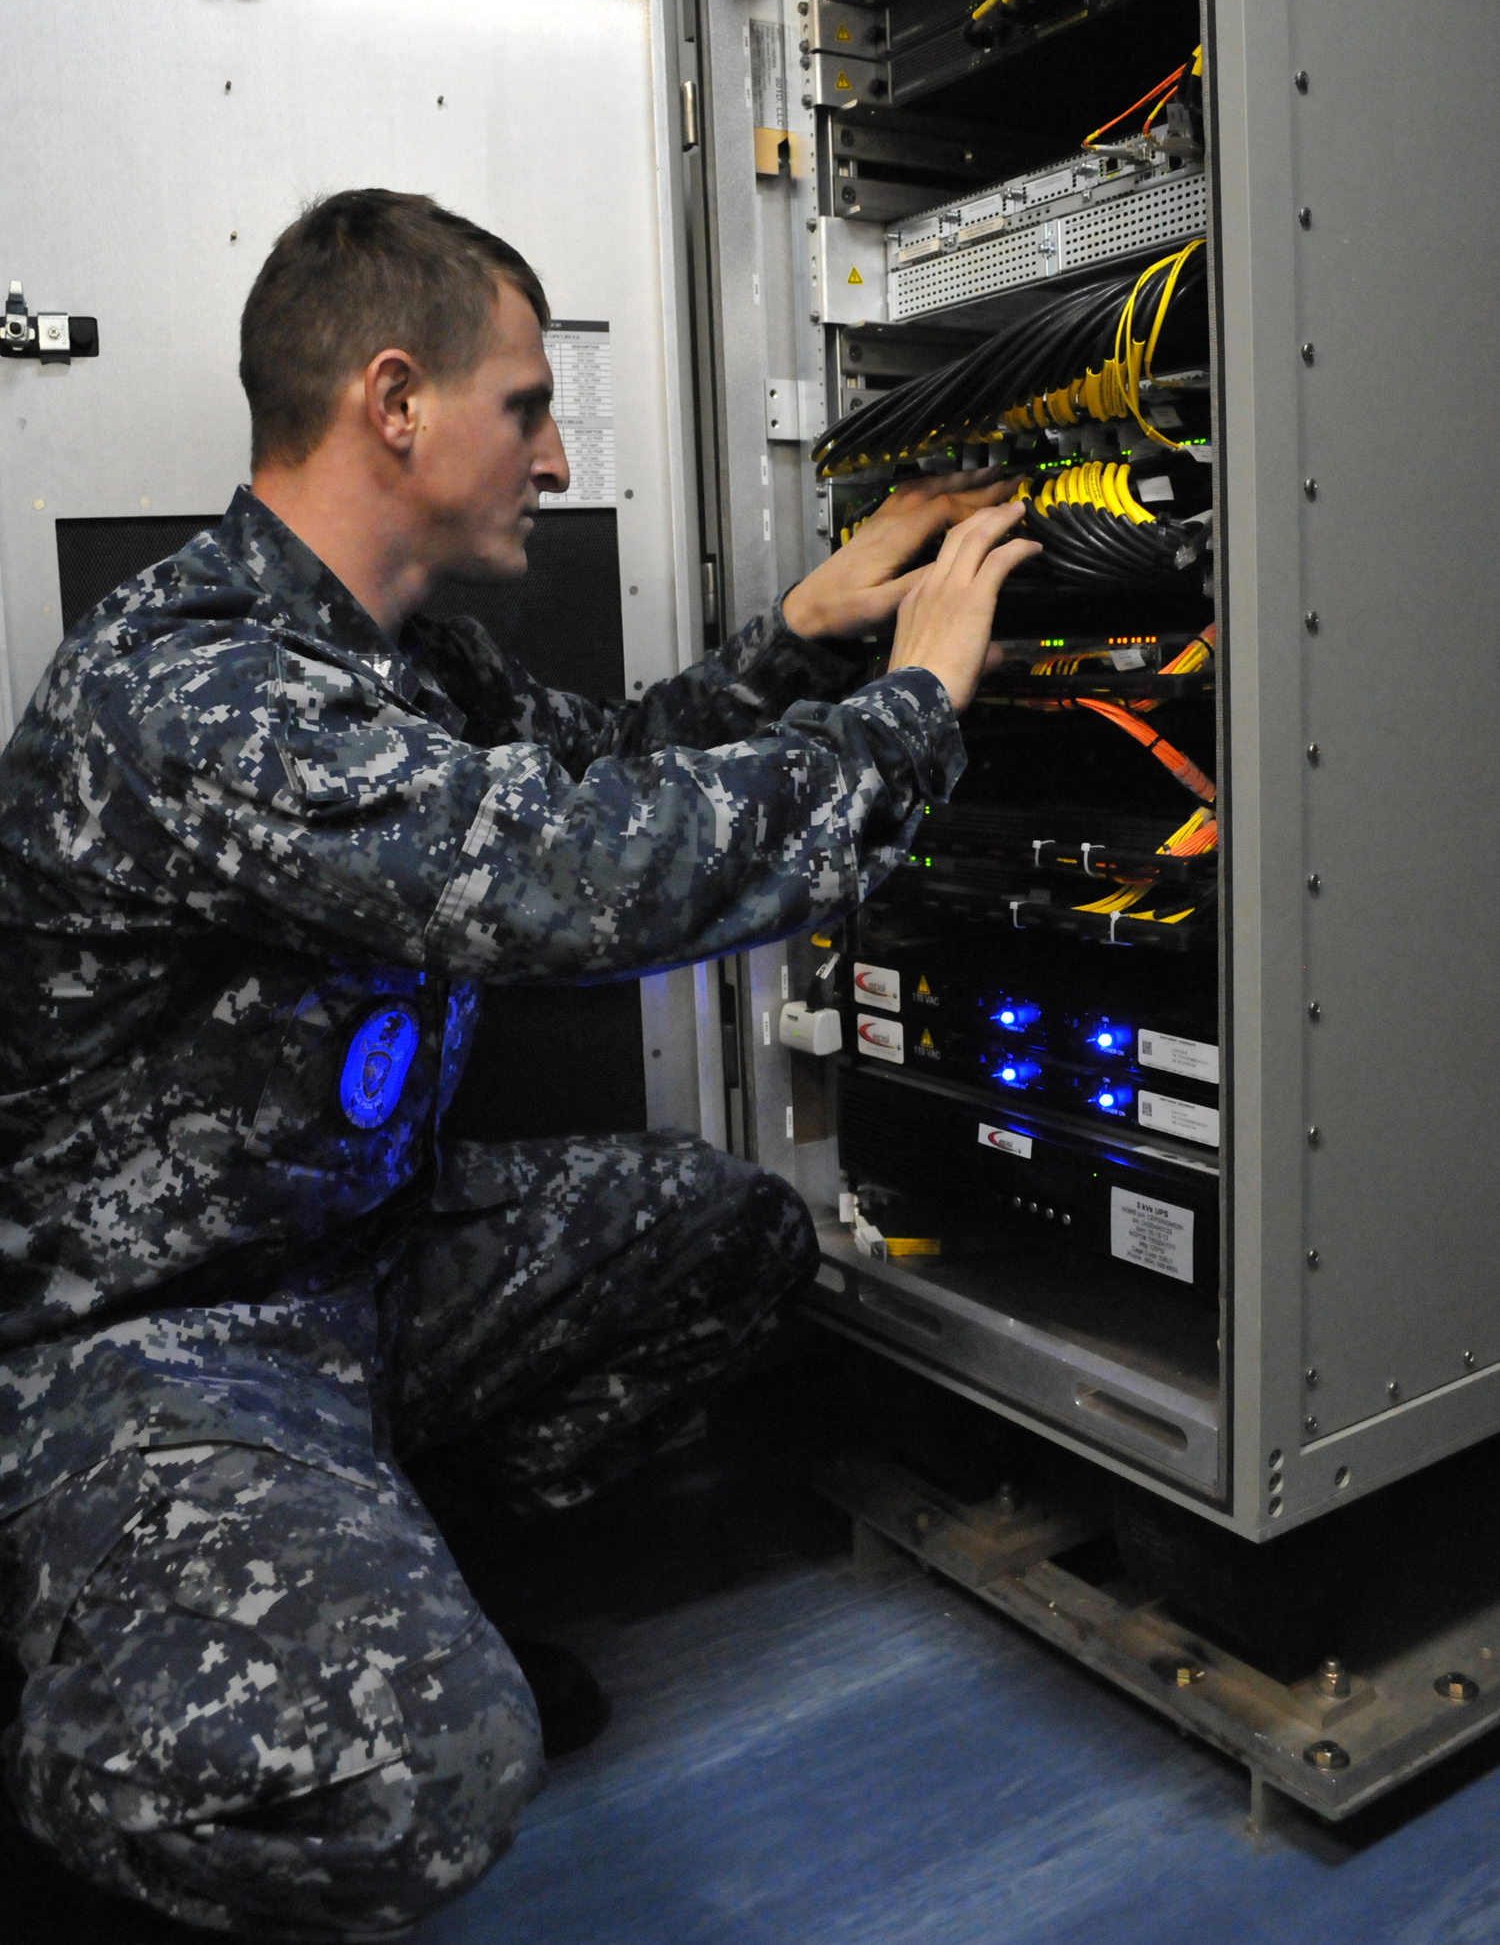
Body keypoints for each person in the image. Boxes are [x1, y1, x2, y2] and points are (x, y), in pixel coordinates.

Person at [0, 189, 1035, 1939]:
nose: (554, 457)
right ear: (395, 405)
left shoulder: (404, 660)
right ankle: (113, 1703)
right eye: (528, 408)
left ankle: (363, 1569)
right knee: (425, 1783)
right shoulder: (196, 693)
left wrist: (802, 633)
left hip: (356, 1271)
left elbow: (599, 771)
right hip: (156, 1335)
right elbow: (584, 879)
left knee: (727, 1238)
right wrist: (910, 711)